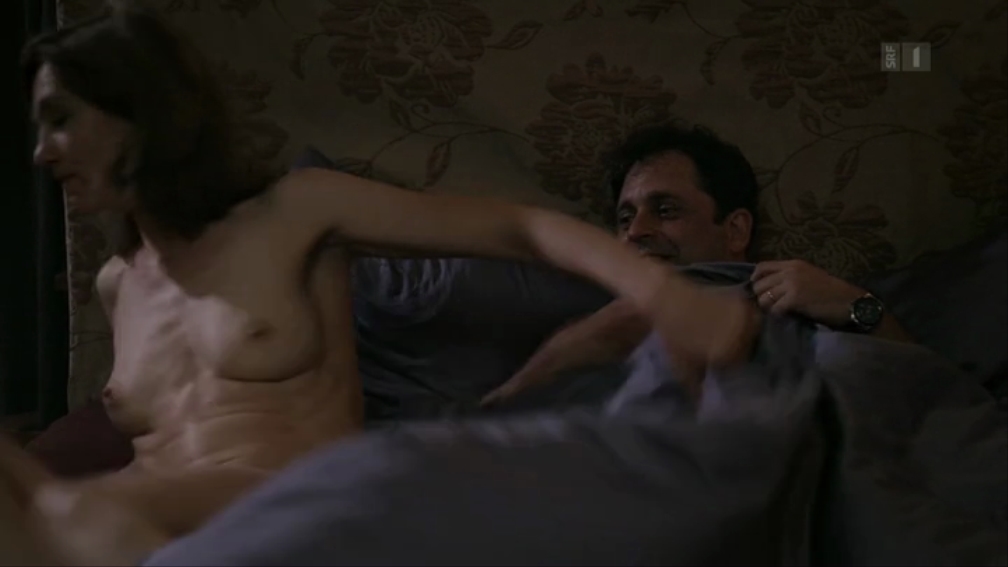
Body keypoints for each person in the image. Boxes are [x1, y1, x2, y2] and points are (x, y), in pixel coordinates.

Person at [0, 4, 759, 565]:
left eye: (60, 118)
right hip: (143, 532)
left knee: (83, 515)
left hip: (286, 514)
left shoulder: (295, 211)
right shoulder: (116, 283)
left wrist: (665, 295)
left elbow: (517, 229)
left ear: (133, 111)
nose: (42, 152)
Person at [482, 123, 913, 405]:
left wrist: (855, 304)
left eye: (665, 210)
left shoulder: (789, 296)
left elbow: (922, 390)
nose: (635, 232)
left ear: (735, 230)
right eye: (625, 218)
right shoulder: (582, 319)